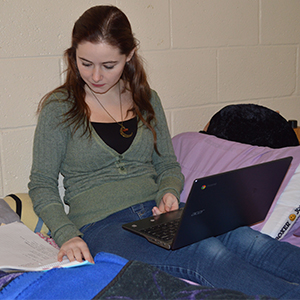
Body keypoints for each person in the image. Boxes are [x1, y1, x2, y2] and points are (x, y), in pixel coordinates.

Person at [28, 5, 300, 299]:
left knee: (244, 239)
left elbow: (168, 164)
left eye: (108, 65)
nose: (95, 76)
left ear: (129, 55)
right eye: (85, 63)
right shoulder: (60, 108)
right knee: (204, 254)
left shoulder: (147, 100)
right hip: (102, 226)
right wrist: (67, 234)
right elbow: (42, 184)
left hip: (156, 214)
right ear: (73, 56)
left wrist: (168, 192)